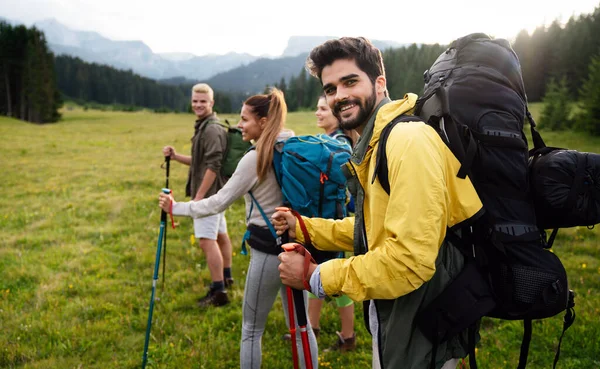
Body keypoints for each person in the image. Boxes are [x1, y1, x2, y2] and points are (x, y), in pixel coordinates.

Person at [273, 37, 483, 369]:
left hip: (425, 325)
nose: (338, 95)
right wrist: (304, 227)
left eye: (350, 81)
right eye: (330, 88)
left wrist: (316, 275)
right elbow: (375, 226)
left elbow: (409, 261)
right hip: (404, 315)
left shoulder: (406, 141)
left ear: (380, 83)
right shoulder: (377, 142)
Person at [159, 89, 319, 369]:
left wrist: (176, 208)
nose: (239, 125)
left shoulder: (255, 157)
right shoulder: (293, 144)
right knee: (301, 327)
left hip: (268, 251)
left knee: (251, 330)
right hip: (297, 248)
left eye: (245, 119)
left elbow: (219, 201)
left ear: (264, 121)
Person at [162, 83, 234, 307]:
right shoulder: (205, 125)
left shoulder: (211, 129)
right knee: (220, 235)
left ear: (211, 103)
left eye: (203, 101)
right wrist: (176, 157)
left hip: (209, 195)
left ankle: (218, 291)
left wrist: (199, 197)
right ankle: (227, 276)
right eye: (195, 101)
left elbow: (213, 165)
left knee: (206, 241)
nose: (198, 105)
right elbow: (201, 162)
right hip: (216, 194)